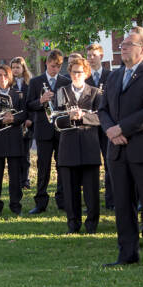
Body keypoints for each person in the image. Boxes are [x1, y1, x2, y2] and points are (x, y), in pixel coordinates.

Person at [99, 30, 143, 269]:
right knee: (122, 204)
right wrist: (111, 129)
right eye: (121, 44)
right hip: (117, 152)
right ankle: (127, 253)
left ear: (142, 48)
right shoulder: (113, 76)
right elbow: (102, 109)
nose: (122, 48)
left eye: (128, 44)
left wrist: (122, 128)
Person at [54, 57, 101, 234]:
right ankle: (73, 225)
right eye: (73, 72)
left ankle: (91, 226)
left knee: (91, 191)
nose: (76, 75)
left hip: (89, 146)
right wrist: (69, 118)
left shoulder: (96, 92)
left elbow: (101, 118)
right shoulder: (61, 91)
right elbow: (56, 120)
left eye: (79, 72)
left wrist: (82, 117)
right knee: (70, 189)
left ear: (86, 73)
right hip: (68, 148)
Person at [26, 49, 69, 214]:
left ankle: (62, 199)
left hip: (61, 128)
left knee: (62, 165)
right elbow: (29, 105)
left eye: (58, 66)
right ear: (46, 63)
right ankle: (41, 202)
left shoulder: (65, 81)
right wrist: (41, 100)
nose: (55, 69)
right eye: (52, 66)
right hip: (43, 130)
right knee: (43, 167)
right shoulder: (36, 81)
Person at [0, 65, 27, 217]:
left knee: (15, 176)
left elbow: (23, 114)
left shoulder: (18, 94)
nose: (2, 78)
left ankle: (16, 206)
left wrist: (14, 118)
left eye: (5, 75)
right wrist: (2, 120)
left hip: (14, 139)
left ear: (10, 77)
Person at [85, 43, 114, 210]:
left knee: (110, 164)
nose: (91, 58)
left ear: (101, 56)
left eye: (94, 55)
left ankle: (111, 200)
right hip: (89, 128)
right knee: (90, 166)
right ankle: (91, 202)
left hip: (107, 127)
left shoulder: (111, 76)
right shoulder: (84, 78)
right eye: (88, 55)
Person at [10, 57, 34, 189]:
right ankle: (16, 180)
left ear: (23, 68)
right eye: (13, 67)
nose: (15, 70)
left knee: (25, 154)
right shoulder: (8, 83)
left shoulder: (30, 83)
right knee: (15, 154)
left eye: (18, 67)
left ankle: (25, 180)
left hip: (27, 124)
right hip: (13, 123)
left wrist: (30, 118)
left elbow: (32, 103)